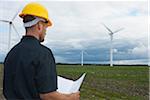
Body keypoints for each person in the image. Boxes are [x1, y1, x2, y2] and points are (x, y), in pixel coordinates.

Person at [3, 2, 80, 100]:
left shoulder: (11, 54)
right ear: (39, 25)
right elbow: (47, 95)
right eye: (46, 27)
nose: (46, 31)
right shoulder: (43, 54)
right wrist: (71, 98)